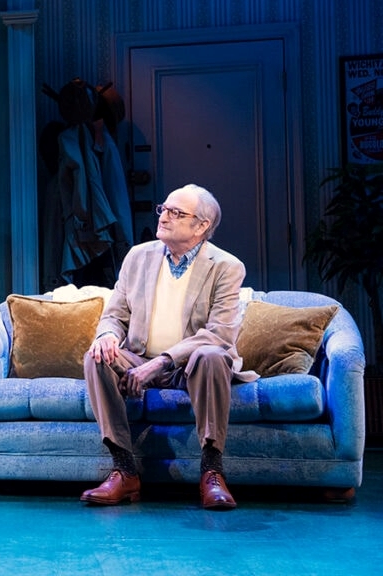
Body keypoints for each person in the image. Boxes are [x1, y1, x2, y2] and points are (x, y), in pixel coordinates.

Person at [80, 183, 258, 511]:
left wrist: (161, 362)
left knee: (212, 355)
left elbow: (219, 335)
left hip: (190, 366)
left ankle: (212, 472)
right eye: (164, 209)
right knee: (97, 357)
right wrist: (106, 335)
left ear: (201, 226)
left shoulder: (226, 266)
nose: (164, 217)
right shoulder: (138, 256)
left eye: (176, 213)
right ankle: (124, 470)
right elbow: (115, 315)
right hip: (139, 357)